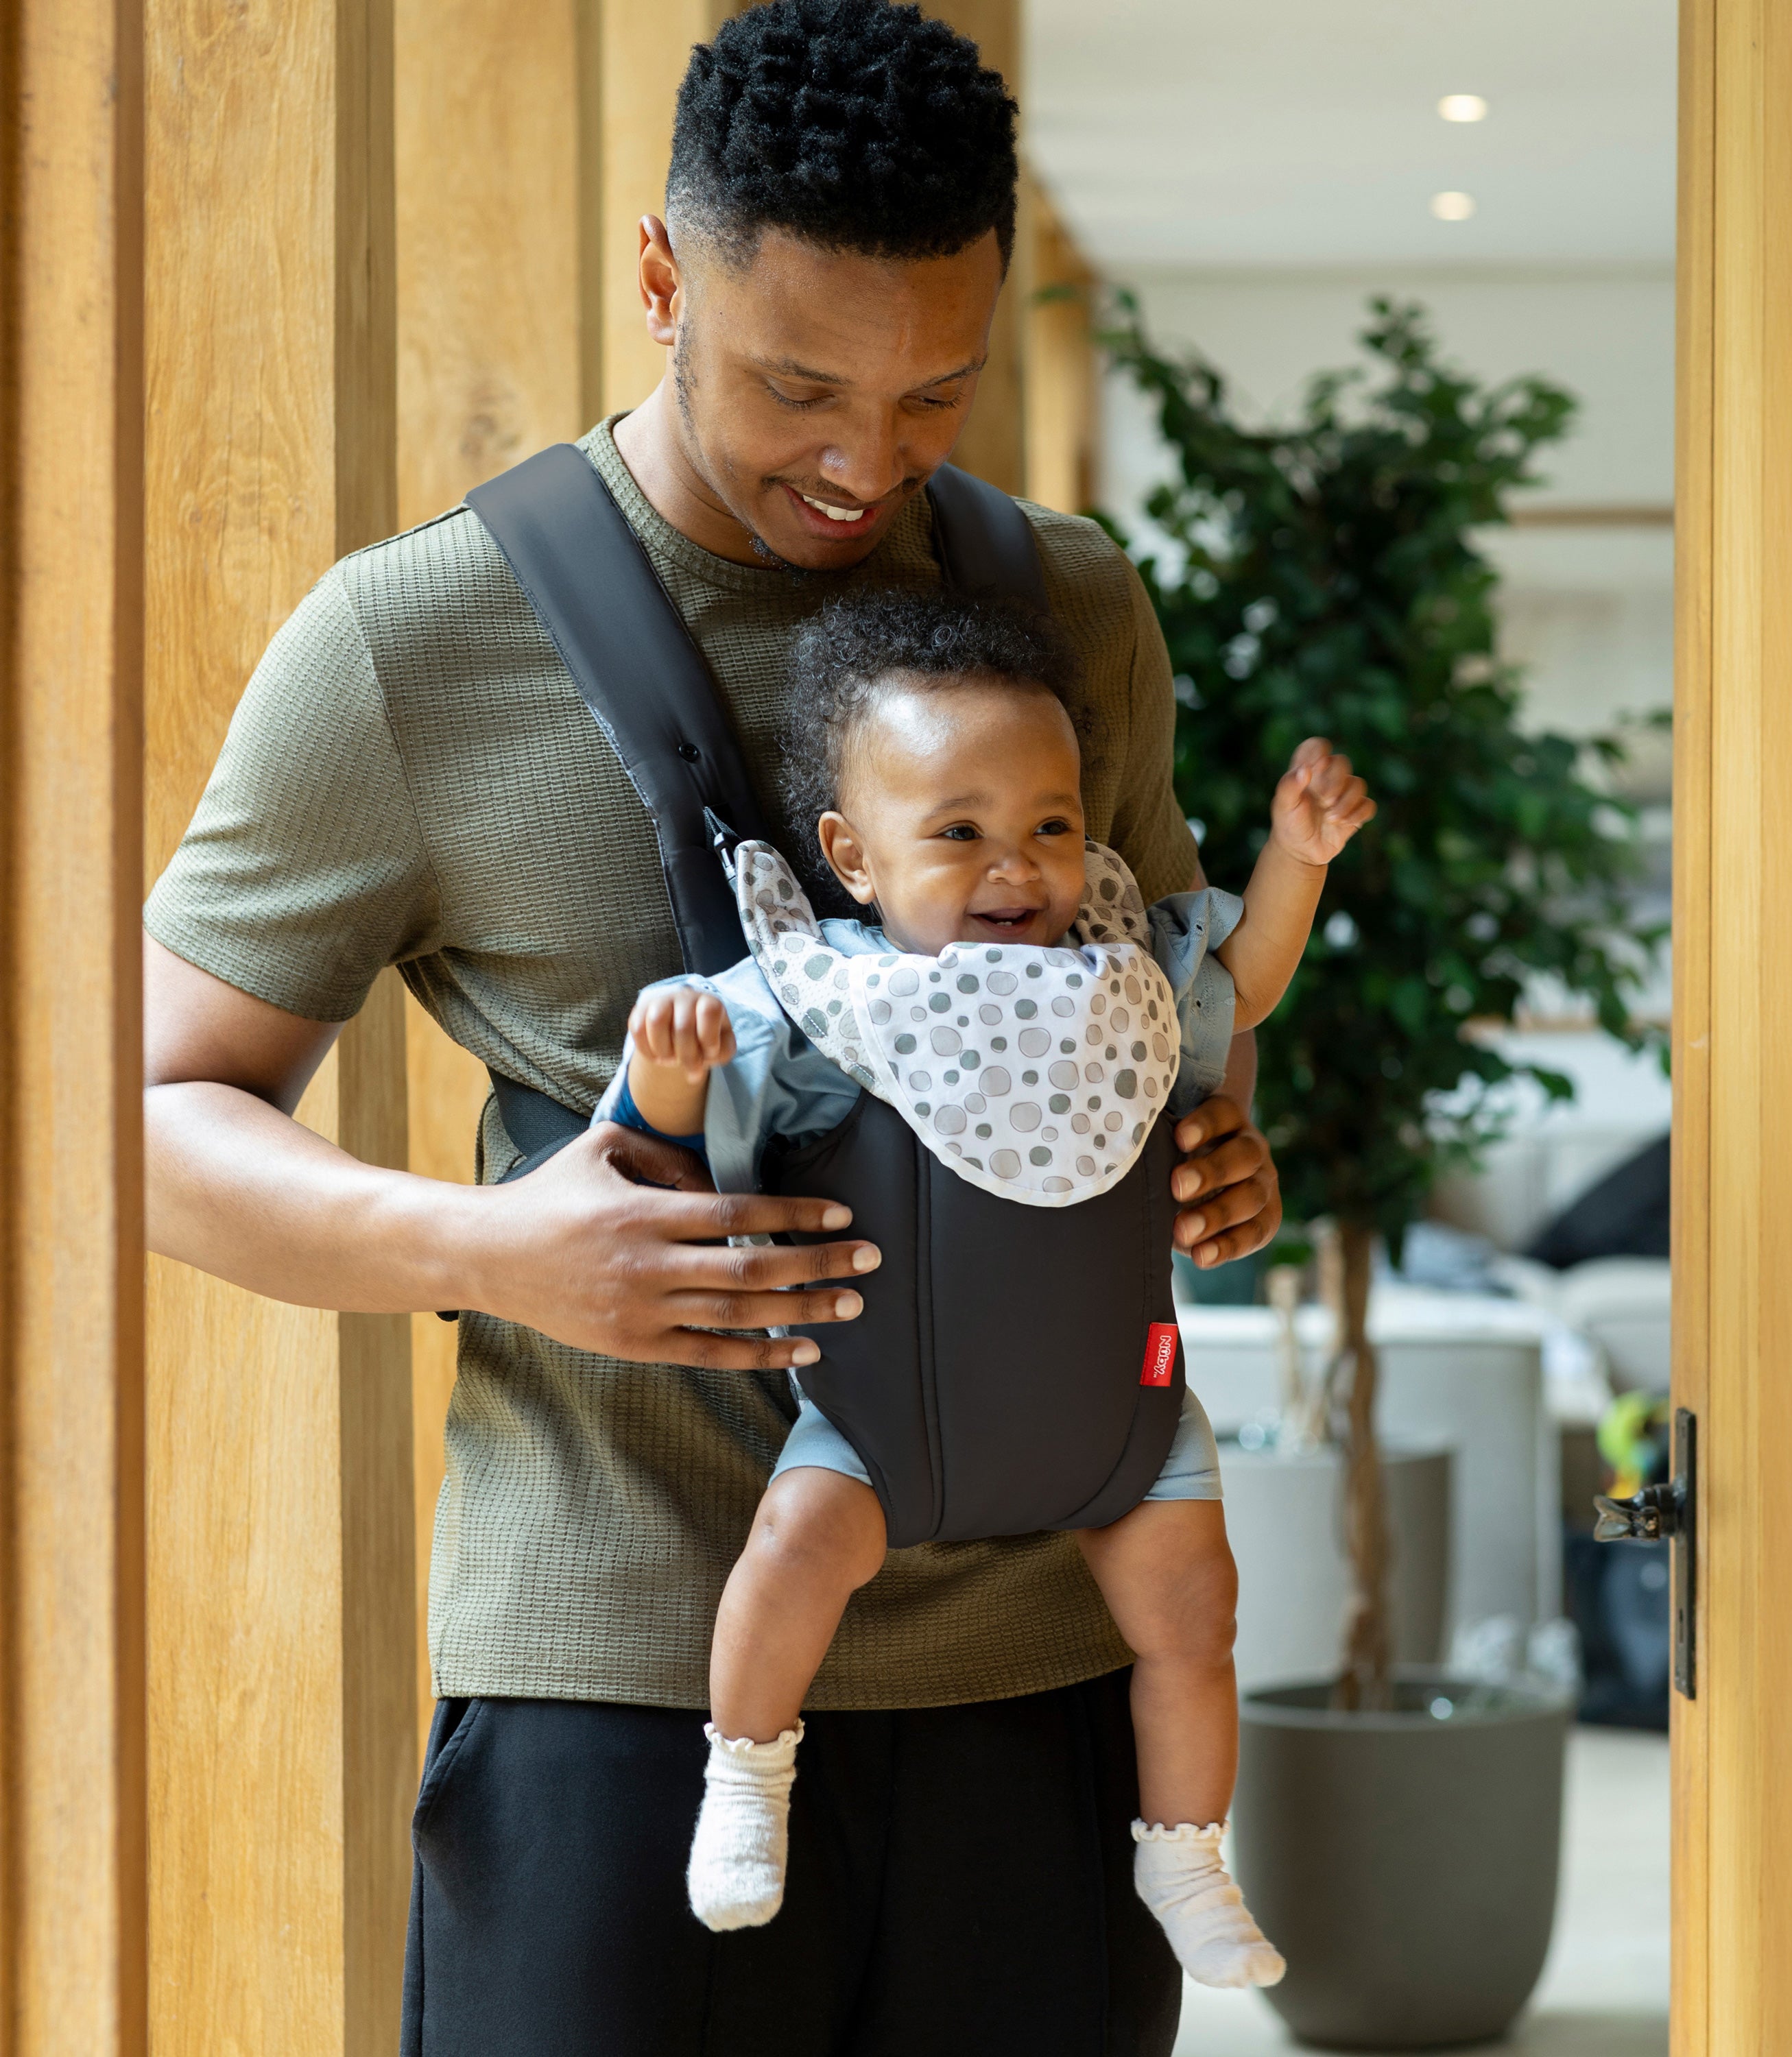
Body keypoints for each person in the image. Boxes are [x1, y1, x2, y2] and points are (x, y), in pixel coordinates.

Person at [142, 4, 1285, 2052]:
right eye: (796, 385)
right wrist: (498, 1252)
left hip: (1042, 1672)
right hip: (622, 1682)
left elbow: (1156, 998)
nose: (865, 460)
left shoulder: (1074, 609)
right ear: (663, 276)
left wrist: (1213, 1142)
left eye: (934, 392)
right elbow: (140, 1120)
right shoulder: (414, 643)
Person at [603, 590, 1371, 1977]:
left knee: (1197, 1618)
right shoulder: (823, 999)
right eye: (957, 832)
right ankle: (746, 1781)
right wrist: (669, 1058)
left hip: (1121, 1429)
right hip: (879, 1426)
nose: (1017, 866)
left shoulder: (1127, 976)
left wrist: (1297, 858)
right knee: (787, 1563)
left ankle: (1189, 1858)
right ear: (850, 855)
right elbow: (670, 1141)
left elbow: (1244, 984)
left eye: (1053, 827)